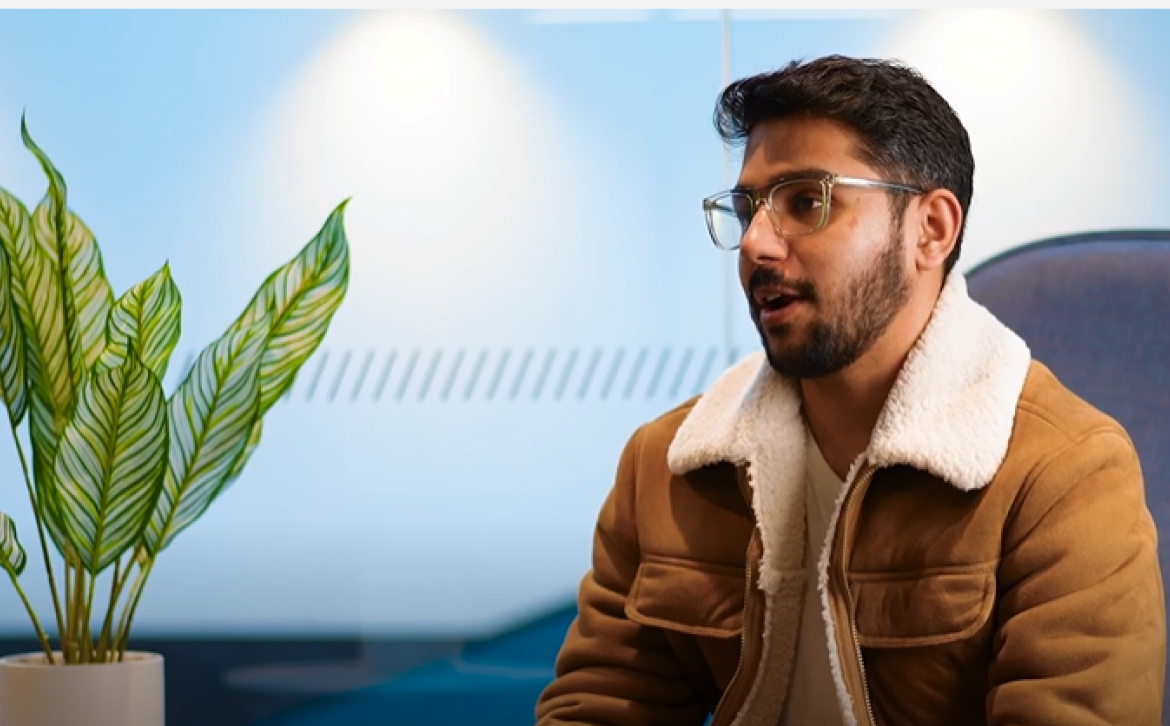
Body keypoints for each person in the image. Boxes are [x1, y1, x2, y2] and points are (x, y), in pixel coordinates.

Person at [533, 54, 1166, 726]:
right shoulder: (668, 465)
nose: (756, 245)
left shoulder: (1064, 474)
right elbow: (597, 706)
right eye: (747, 209)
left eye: (807, 201)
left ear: (932, 229)